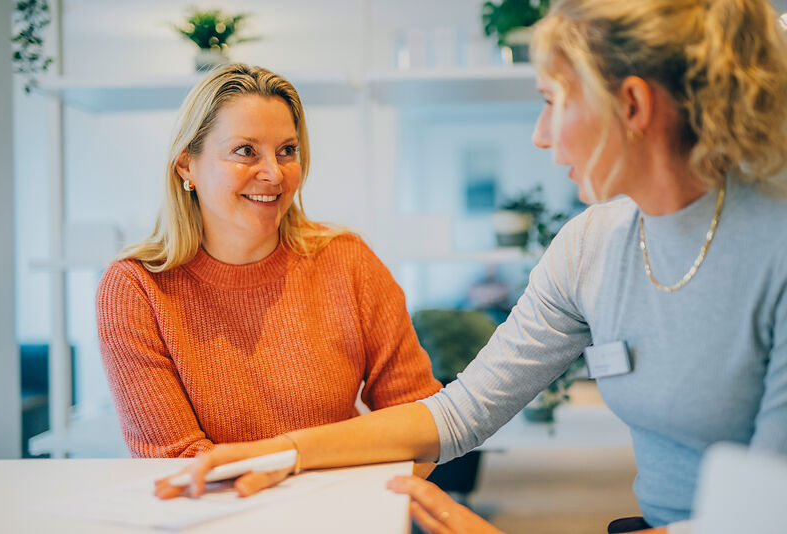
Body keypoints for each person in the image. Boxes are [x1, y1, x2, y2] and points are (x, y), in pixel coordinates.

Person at [157, 0, 787, 532]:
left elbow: (766, 517)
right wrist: (284, 454)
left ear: (631, 104)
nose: (542, 136)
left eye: (552, 101)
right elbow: (459, 413)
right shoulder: (590, 246)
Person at [95, 64, 442, 459]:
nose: (274, 173)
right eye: (245, 151)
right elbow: (176, 463)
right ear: (187, 164)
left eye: (287, 151)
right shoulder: (136, 288)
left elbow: (418, 422)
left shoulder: (347, 261)